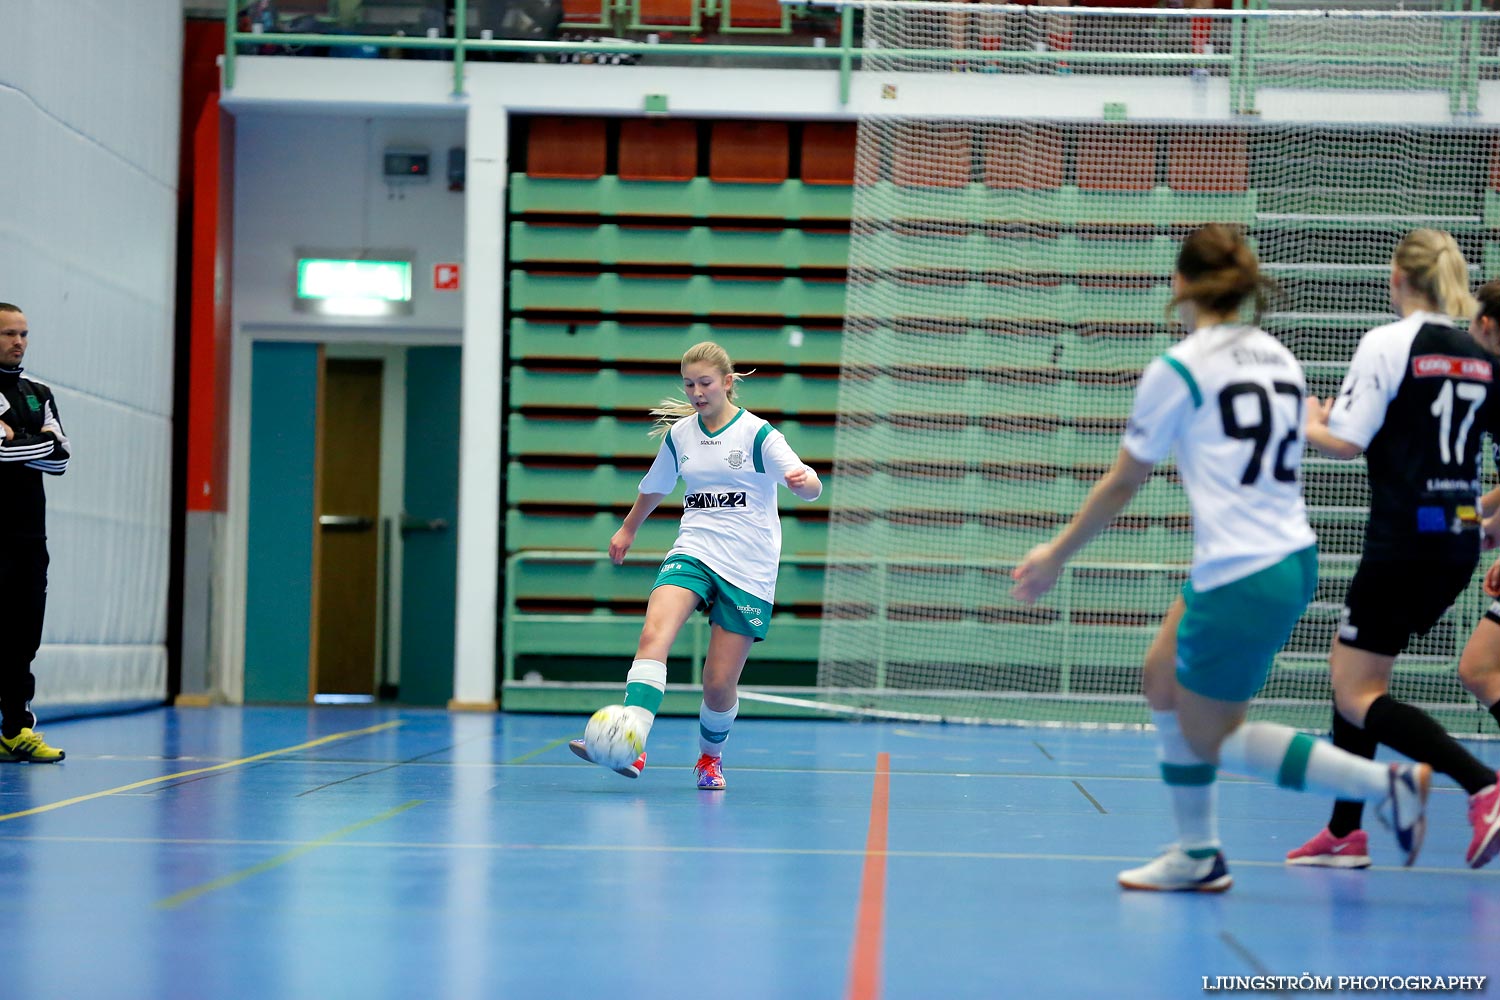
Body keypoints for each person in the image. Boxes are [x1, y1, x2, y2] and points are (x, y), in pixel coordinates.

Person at [1011, 225, 1431, 892]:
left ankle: (1387, 783)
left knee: (1214, 736)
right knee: (1160, 679)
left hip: (1244, 572)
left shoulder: (1178, 368)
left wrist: (1055, 555)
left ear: (1181, 284)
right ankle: (1197, 852)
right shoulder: (1278, 356)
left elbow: (1123, 482)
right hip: (1283, 556)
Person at [1288, 232, 1500, 871]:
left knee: (1356, 690)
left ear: (1398, 278)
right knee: (1355, 670)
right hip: (1457, 539)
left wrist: (1307, 425)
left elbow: (1347, 442)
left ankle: (1482, 786)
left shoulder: (1388, 343)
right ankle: (1344, 832)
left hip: (1404, 537)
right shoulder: (1481, 354)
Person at [569, 342, 822, 789]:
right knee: (654, 634)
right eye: (689, 384)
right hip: (694, 550)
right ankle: (633, 742)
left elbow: (810, 486)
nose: (697, 392)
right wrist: (628, 529)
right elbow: (654, 486)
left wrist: (806, 483)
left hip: (749, 567)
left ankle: (710, 758)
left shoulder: (758, 436)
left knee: (717, 683)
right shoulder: (681, 436)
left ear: (727, 383)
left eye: (705, 383)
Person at [0, 304, 70, 763]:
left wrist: (16, 440)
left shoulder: (37, 391)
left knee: (23, 636)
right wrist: (33, 444)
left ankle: (15, 730)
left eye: (24, 333)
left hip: (29, 536)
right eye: (9, 333)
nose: (19, 341)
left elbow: (60, 458)